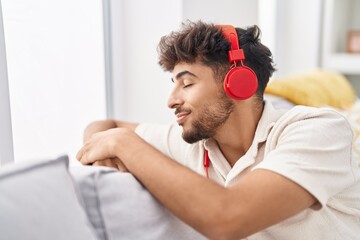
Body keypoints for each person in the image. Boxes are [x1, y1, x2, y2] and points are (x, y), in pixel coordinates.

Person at [77, 21, 360, 239]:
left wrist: (124, 144)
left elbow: (228, 218)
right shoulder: (193, 143)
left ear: (239, 83)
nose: (171, 100)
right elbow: (108, 125)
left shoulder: (318, 130)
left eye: (186, 84)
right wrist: (101, 147)